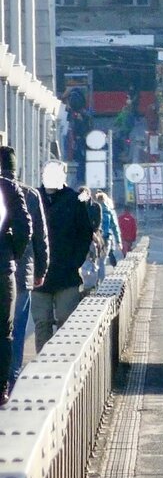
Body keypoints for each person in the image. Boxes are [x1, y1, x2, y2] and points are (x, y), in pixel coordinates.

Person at [32, 161, 95, 352]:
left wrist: (75, 261)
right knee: (41, 322)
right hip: (38, 274)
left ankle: (63, 359)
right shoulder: (34, 197)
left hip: (67, 274)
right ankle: (43, 361)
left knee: (66, 321)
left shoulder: (74, 200)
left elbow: (85, 233)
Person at [0, 147, 49, 389]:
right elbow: (39, 236)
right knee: (15, 328)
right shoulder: (29, 194)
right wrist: (41, 269)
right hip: (22, 274)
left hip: (8, 267)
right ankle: (12, 377)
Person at [0, 157, 32, 404]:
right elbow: (25, 226)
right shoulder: (8, 187)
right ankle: (1, 389)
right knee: (3, 331)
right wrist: (12, 252)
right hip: (2, 269)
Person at [95, 191, 122, 277]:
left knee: (96, 261)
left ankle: (95, 282)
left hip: (96, 238)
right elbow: (115, 227)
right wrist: (118, 241)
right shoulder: (109, 211)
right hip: (107, 239)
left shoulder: (94, 210)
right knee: (102, 261)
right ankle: (101, 282)